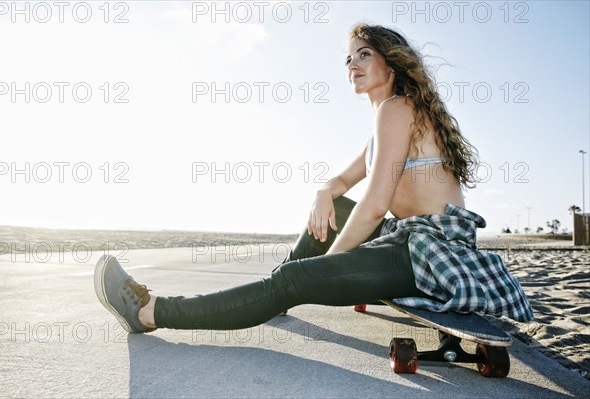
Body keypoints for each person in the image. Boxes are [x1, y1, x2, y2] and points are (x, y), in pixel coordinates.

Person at [94, 23, 534, 334]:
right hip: (411, 240)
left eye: (364, 54)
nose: (353, 64)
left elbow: (376, 204)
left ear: (392, 63)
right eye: (348, 58)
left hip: (429, 252)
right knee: (327, 218)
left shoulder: (397, 108)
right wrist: (324, 191)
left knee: (294, 279)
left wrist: (322, 267)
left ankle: (152, 312)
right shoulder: (385, 121)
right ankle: (273, 293)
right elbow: (343, 187)